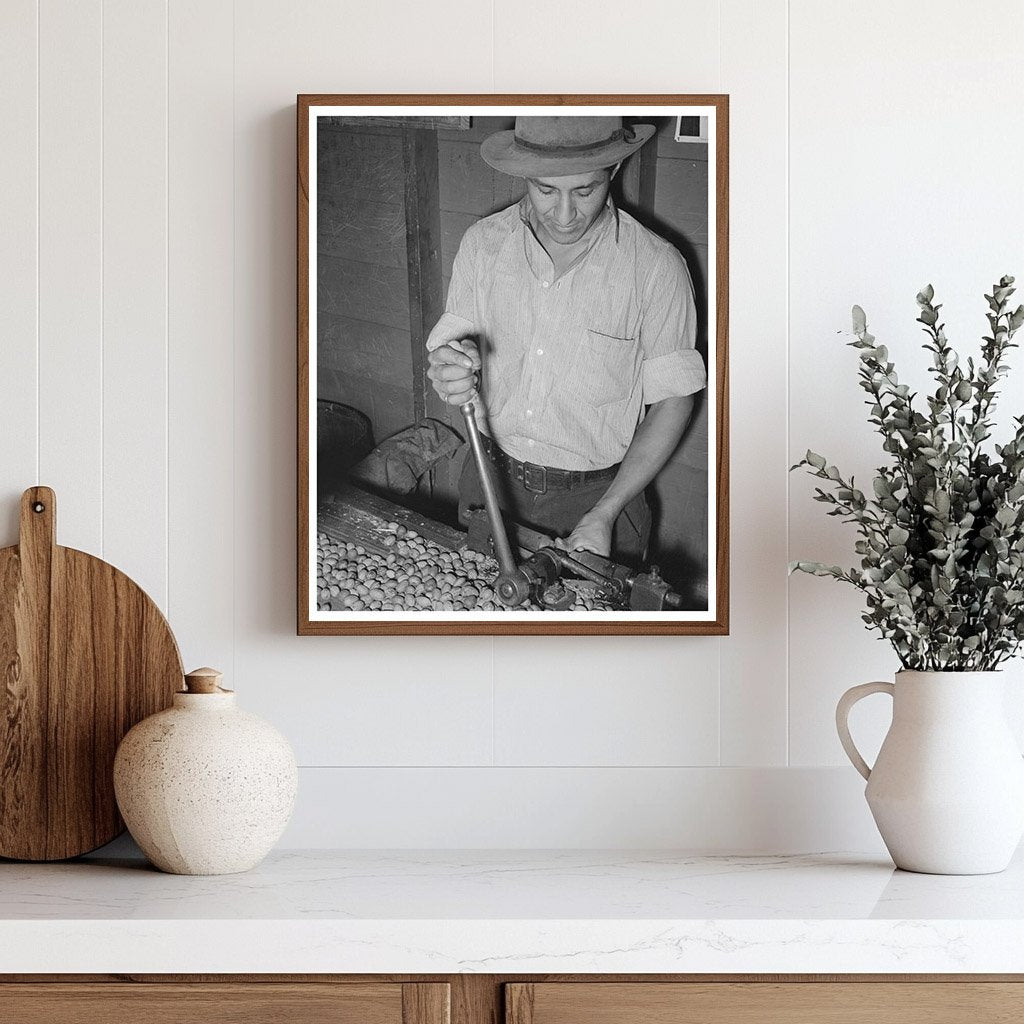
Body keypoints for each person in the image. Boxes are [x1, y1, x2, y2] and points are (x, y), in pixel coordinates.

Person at [426, 116, 706, 564]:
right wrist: (451, 369)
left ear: (613, 172)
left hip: (598, 496)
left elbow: (675, 400)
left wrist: (606, 512)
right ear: (523, 177)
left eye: (584, 191)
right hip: (488, 477)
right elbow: (452, 351)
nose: (563, 215)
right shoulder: (483, 245)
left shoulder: (656, 267)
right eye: (545, 190)